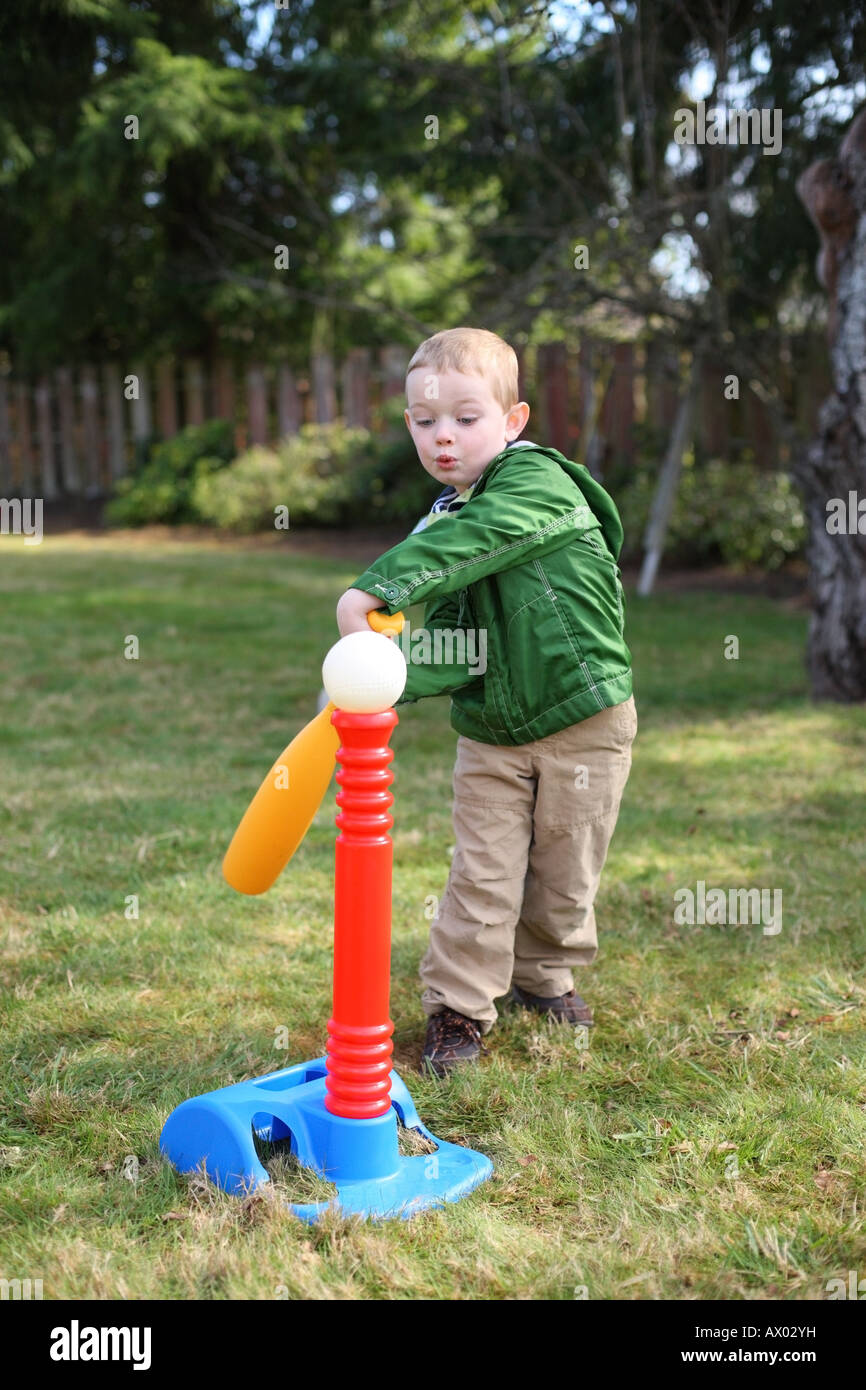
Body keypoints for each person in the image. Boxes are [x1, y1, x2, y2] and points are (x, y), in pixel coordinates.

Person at [336, 326, 636, 1076]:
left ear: (513, 420)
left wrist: (373, 589)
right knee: (482, 873)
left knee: (566, 871)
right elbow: (462, 644)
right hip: (492, 731)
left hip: (584, 719)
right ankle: (459, 1010)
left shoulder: (536, 486)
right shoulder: (448, 515)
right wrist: (382, 676)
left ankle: (543, 974)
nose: (444, 437)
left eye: (466, 419)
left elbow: (472, 544)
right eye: (424, 420)